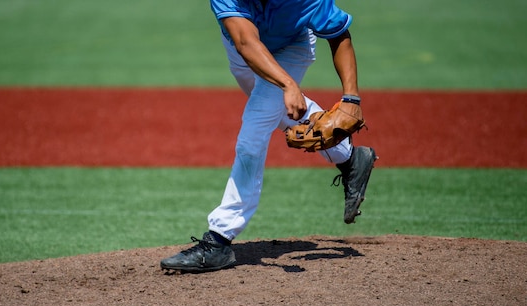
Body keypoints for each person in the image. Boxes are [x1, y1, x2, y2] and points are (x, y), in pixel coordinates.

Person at [161, 0, 377, 272]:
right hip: (242, 53)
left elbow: (338, 34)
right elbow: (245, 42)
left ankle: (218, 241)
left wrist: (351, 97)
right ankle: (350, 158)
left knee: (253, 132)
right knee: (280, 109)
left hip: (291, 47)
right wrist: (288, 85)